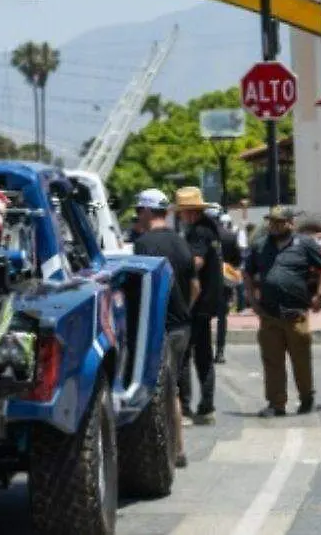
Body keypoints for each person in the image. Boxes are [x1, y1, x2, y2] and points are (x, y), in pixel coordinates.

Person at [244, 206, 321, 416]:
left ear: (290, 223)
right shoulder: (260, 246)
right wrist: (252, 301)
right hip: (269, 315)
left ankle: (306, 398)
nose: (274, 226)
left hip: (296, 314)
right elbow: (247, 273)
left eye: (279, 222)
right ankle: (276, 404)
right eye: (272, 222)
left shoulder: (305, 244)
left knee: (301, 360)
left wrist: (320, 295)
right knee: (272, 361)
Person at [131, 188, 194, 467]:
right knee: (175, 387)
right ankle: (176, 448)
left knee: (163, 392)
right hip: (182, 324)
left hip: (161, 327)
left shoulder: (143, 245)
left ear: (145, 211)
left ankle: (170, 450)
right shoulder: (181, 243)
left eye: (138, 211)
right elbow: (195, 285)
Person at [173, 187, 222, 425]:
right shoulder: (209, 228)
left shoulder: (199, 232)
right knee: (203, 355)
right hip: (208, 300)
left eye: (181, 212)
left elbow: (197, 262)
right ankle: (206, 406)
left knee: (186, 355)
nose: (180, 216)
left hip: (197, 302)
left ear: (190, 212)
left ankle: (186, 407)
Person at [215, 211, 242, 363]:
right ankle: (220, 351)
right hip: (224, 282)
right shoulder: (230, 236)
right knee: (221, 318)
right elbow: (237, 260)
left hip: (204, 284)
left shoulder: (198, 234)